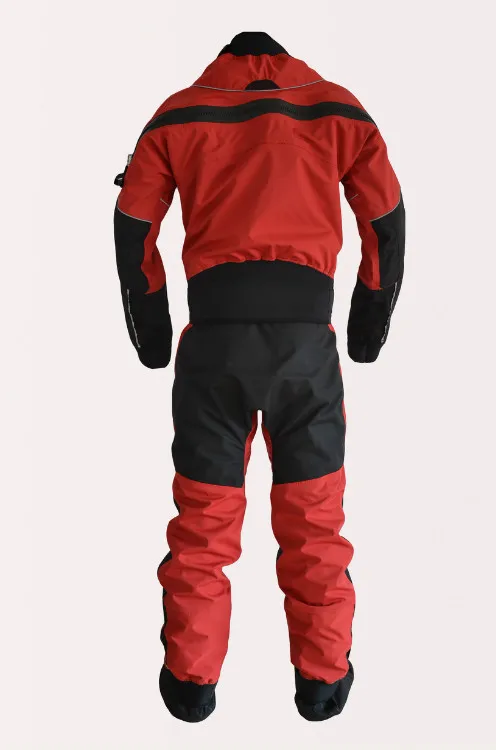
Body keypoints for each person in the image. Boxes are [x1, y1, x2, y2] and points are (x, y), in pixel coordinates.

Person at [113, 31, 405, 723]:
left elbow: (132, 225)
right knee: (314, 519)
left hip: (213, 347)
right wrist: (367, 326)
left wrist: (152, 334)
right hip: (307, 349)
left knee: (203, 520)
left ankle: (190, 684)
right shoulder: (338, 110)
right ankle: (322, 681)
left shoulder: (179, 113)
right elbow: (386, 221)